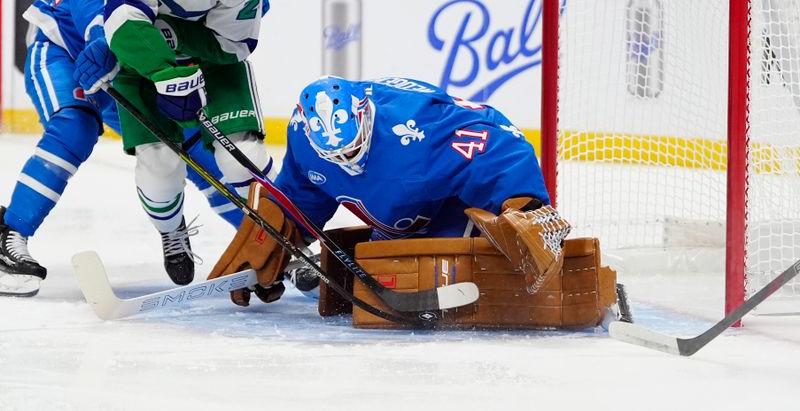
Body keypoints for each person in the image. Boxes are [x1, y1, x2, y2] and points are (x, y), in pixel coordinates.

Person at [207, 76, 620, 330]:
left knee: (444, 277)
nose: (347, 164)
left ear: (366, 116)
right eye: (336, 158)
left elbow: (495, 140)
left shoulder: (417, 124)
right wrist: (283, 233)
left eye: (354, 150)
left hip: (455, 203)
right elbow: (302, 191)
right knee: (388, 277)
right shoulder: (305, 137)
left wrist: (524, 205)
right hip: (398, 218)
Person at [0, 0, 244, 297]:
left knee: (190, 143)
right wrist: (104, 38)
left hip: (127, 64)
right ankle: (9, 235)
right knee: (75, 126)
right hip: (66, 47)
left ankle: (270, 243)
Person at [101, 0, 275, 286]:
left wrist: (178, 43)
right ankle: (171, 232)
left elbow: (234, 45)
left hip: (211, 65)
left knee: (243, 158)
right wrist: (165, 70)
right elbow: (123, 13)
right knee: (159, 164)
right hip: (146, 62)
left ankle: (283, 238)